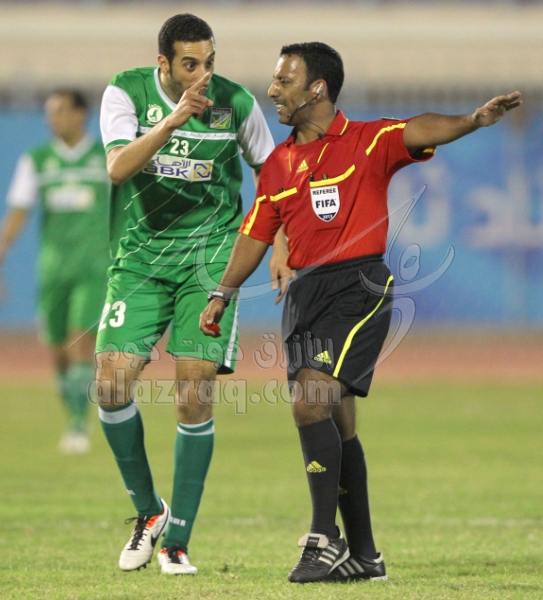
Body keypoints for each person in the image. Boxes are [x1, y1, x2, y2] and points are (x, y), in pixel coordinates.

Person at [200, 42, 521, 583]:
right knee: (337, 422)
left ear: (317, 88)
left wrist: (472, 120)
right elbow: (256, 233)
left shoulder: (367, 140)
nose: (273, 90)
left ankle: (323, 537)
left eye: (284, 81)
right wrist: (222, 293)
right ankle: (366, 555)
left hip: (358, 289)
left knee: (310, 403)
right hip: (305, 295)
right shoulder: (277, 164)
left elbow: (419, 129)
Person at [95, 13, 287, 575]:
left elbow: (274, 175)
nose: (202, 74)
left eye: (209, 62)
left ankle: (176, 541)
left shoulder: (236, 104)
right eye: (189, 64)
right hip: (140, 259)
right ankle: (149, 511)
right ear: (164, 63)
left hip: (209, 260)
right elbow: (118, 167)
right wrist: (174, 120)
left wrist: (281, 243)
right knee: (110, 385)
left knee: (193, 392)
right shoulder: (126, 92)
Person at [0, 89, 110, 455]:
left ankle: (79, 425)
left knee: (79, 341)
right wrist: (1, 247)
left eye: (58, 111)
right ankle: (73, 412)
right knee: (58, 350)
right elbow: (19, 208)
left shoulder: (105, 158)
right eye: (49, 113)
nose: (51, 119)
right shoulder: (37, 160)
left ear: (79, 114)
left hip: (94, 266)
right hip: (54, 268)